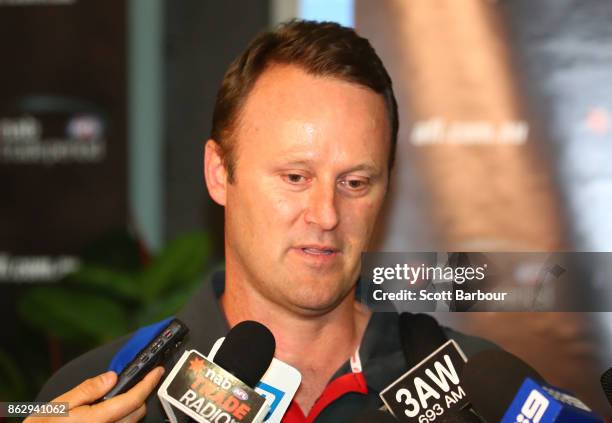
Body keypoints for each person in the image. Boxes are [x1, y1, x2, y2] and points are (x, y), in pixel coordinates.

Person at [32, 20, 496, 422]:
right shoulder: (92, 400)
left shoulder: (485, 393)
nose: (326, 214)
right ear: (219, 173)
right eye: (295, 177)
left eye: (354, 183)